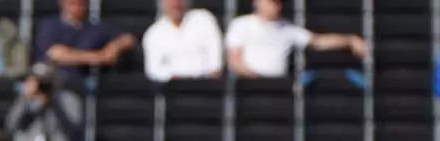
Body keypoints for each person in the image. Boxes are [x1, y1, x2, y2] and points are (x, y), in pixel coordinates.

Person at [226, 0, 365, 79]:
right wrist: (254, 78)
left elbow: (318, 41)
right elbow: (234, 60)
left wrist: (350, 40)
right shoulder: (241, 24)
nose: (275, 6)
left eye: (277, 3)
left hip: (278, 87)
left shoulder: (287, 28)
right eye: (271, 2)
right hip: (248, 86)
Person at [34, 0, 137, 85]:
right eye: (72, 3)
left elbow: (129, 39)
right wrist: (99, 56)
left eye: (81, 3)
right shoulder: (50, 26)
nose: (77, 7)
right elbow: (54, 53)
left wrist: (115, 46)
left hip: (85, 84)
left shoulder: (95, 28)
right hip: (54, 83)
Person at [5, 63, 84, 141]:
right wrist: (24, 98)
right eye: (33, 80)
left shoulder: (68, 99)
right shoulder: (26, 101)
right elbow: (11, 126)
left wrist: (53, 100)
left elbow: (75, 130)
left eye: (42, 81)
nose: (39, 85)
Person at [142, 0, 224, 82]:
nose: (176, 3)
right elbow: (153, 70)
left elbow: (215, 55)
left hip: (206, 85)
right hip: (172, 88)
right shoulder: (153, 33)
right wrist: (171, 77)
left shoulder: (204, 19)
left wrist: (214, 71)